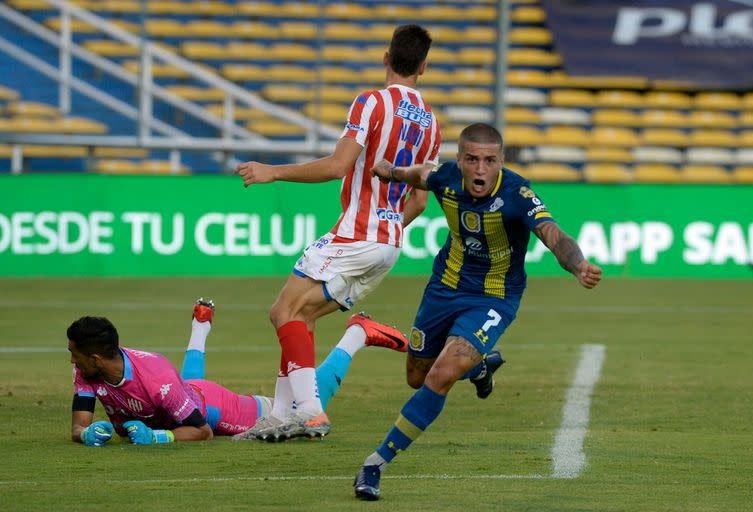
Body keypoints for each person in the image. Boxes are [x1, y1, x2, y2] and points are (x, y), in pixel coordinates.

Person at [352, 123, 604, 500]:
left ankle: (375, 463)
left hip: (494, 298)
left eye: (489, 160)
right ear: (461, 160)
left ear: (500, 161)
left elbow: (553, 234)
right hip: (444, 286)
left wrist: (578, 264)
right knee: (416, 378)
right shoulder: (447, 179)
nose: (481, 169)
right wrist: (390, 171)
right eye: (472, 159)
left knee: (442, 374)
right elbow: (422, 175)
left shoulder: (519, 193)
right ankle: (481, 365)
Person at [234, 24, 441, 441]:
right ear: (423, 66)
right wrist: (385, 232)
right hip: (389, 243)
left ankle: (310, 411)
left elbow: (336, 166)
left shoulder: (371, 103)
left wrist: (273, 171)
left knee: (281, 312)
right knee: (300, 316)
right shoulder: (433, 125)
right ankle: (279, 414)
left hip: (356, 234)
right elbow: (418, 200)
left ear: (386, 58)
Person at [70, 299, 407, 446]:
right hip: (184, 392)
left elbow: (201, 430)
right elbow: (79, 426)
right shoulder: (89, 372)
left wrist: (159, 437)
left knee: (295, 410)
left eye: (75, 355)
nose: (71, 361)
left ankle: (357, 334)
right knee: (179, 392)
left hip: (215, 408)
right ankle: (199, 326)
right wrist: (87, 434)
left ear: (96, 357)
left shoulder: (155, 379)